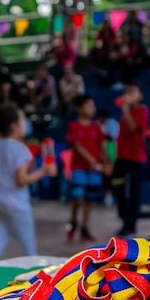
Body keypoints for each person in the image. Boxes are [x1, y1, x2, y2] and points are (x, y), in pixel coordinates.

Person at [0, 105, 57, 263]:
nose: (26, 123)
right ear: (14, 126)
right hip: (17, 205)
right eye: (23, 119)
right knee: (29, 249)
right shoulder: (21, 150)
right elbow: (21, 180)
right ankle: (36, 281)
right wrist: (43, 171)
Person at [66, 94, 106, 243]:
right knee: (78, 197)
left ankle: (84, 226)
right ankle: (73, 222)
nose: (92, 109)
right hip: (79, 169)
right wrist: (90, 159)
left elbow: (102, 146)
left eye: (93, 106)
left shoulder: (96, 127)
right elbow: (76, 146)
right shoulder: (73, 126)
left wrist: (107, 162)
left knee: (89, 199)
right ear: (79, 108)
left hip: (93, 170)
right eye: (89, 106)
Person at [113, 82, 150, 236]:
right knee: (118, 187)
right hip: (121, 157)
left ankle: (130, 225)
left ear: (140, 95)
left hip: (135, 158)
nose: (128, 94)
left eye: (132, 91)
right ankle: (124, 217)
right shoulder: (125, 113)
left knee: (133, 192)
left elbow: (134, 127)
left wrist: (126, 109)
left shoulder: (142, 110)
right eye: (127, 91)